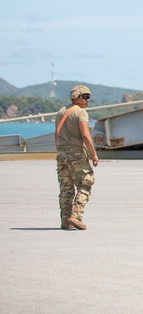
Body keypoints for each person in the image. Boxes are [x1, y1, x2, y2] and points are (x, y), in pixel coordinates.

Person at [54, 85, 99, 230]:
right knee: (85, 183)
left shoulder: (61, 111)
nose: (88, 100)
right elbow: (86, 135)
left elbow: (57, 135)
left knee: (66, 187)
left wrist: (59, 152)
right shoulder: (81, 113)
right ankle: (76, 216)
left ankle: (65, 220)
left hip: (62, 153)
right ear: (77, 97)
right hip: (76, 153)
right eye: (85, 97)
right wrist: (94, 154)